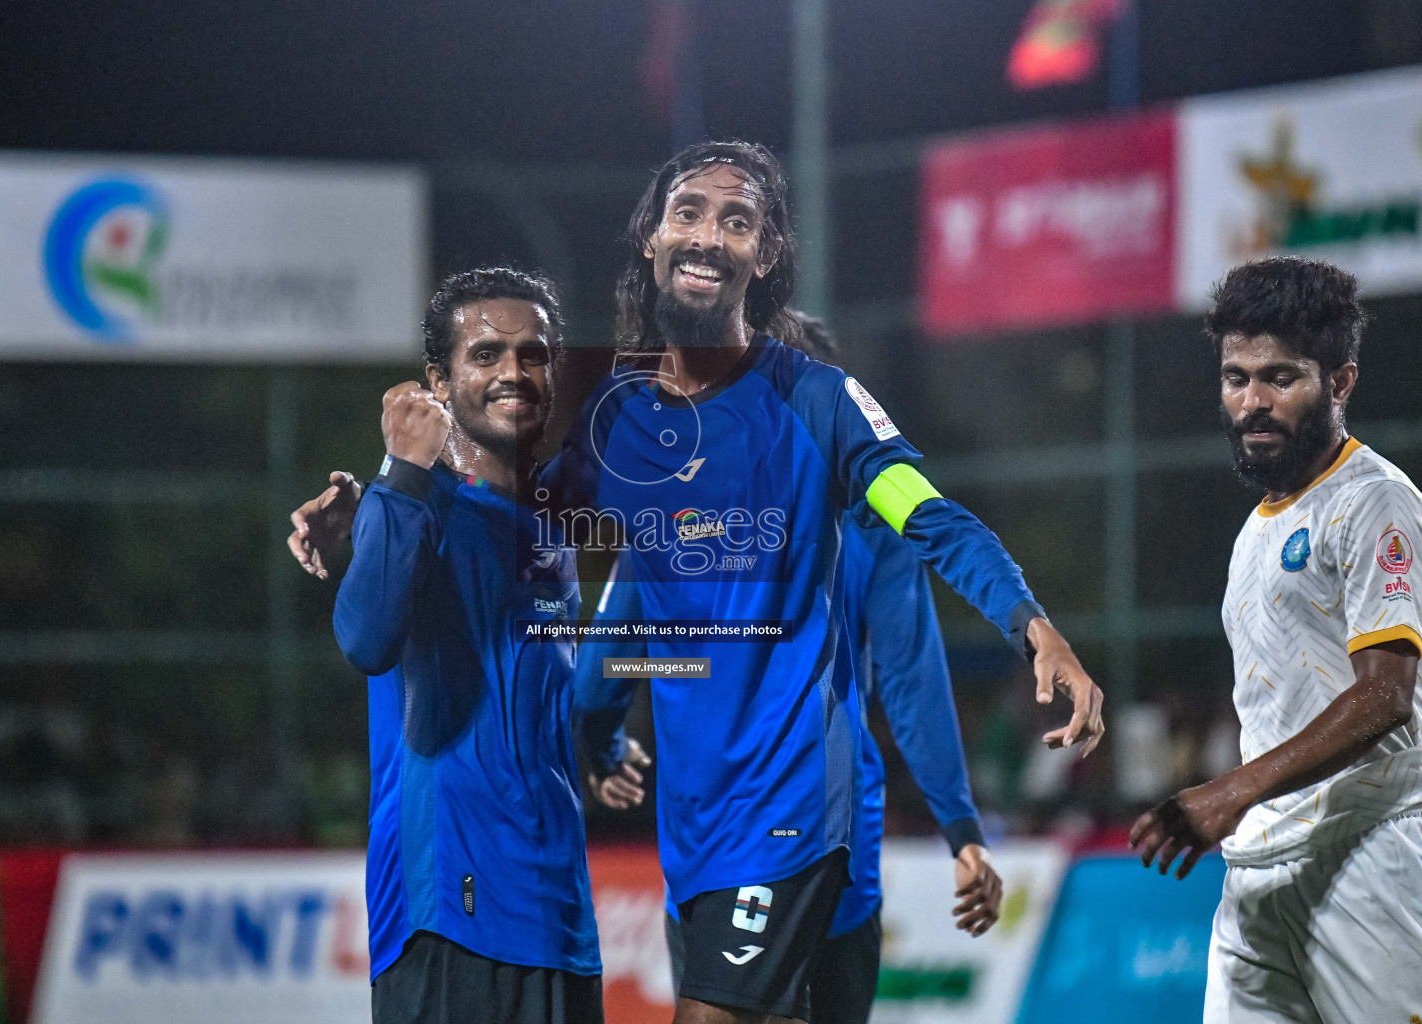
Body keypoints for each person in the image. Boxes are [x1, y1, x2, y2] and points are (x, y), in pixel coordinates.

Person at [533, 140, 1101, 1024]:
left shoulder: (823, 404)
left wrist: (1034, 628)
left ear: (763, 257)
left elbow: (932, 524)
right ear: (651, 237)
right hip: (692, 831)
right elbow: (605, 624)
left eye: (737, 220)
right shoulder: (626, 429)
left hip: (794, 804)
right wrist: (394, 506)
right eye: (688, 211)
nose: (708, 235)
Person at [579, 315, 1001, 1024]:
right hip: (827, 847)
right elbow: (908, 680)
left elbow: (601, 666)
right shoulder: (872, 513)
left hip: (705, 845)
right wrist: (961, 830)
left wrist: (602, 740)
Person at [1129, 257, 1422, 1023]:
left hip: (1368, 858)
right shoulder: (1259, 528)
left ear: (1342, 380)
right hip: (1256, 871)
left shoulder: (1375, 502)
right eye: (1236, 378)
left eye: (1280, 378)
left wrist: (1229, 790)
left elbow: (1386, 697)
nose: (1252, 402)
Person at [328, 267, 603, 1024]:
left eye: (533, 354)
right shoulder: (418, 502)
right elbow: (363, 639)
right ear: (438, 384)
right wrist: (397, 476)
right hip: (451, 907)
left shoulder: (554, 530)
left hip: (560, 916)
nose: (513, 371)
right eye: (485, 355)